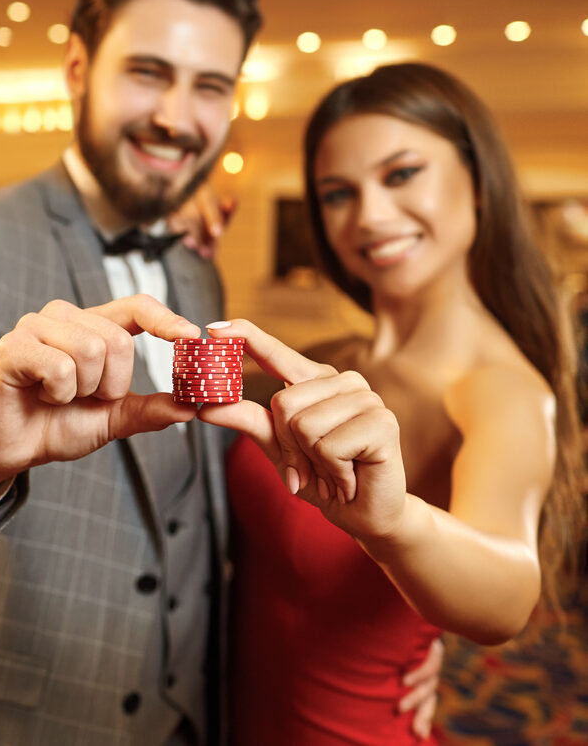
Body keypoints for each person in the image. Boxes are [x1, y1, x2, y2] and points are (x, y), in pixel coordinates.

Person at [0, 0, 437, 745]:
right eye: (147, 72)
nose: (176, 116)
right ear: (77, 68)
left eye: (209, 86)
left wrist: (386, 635)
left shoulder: (196, 262)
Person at [196, 63, 584, 744]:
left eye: (401, 174)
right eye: (338, 193)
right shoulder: (330, 358)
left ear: (478, 183)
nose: (370, 216)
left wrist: (395, 524)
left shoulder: (497, 388)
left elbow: (509, 592)